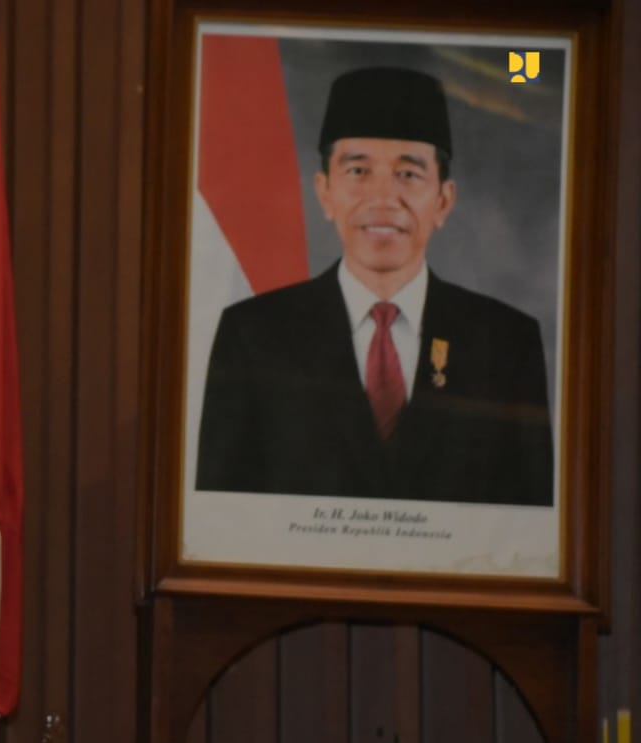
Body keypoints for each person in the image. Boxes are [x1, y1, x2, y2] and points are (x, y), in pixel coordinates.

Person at [195, 66, 554, 506]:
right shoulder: (252, 335)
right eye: (359, 171)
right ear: (325, 193)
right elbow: (219, 514)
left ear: (444, 200)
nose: (383, 199)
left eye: (408, 174)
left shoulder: (507, 343)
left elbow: (532, 523)